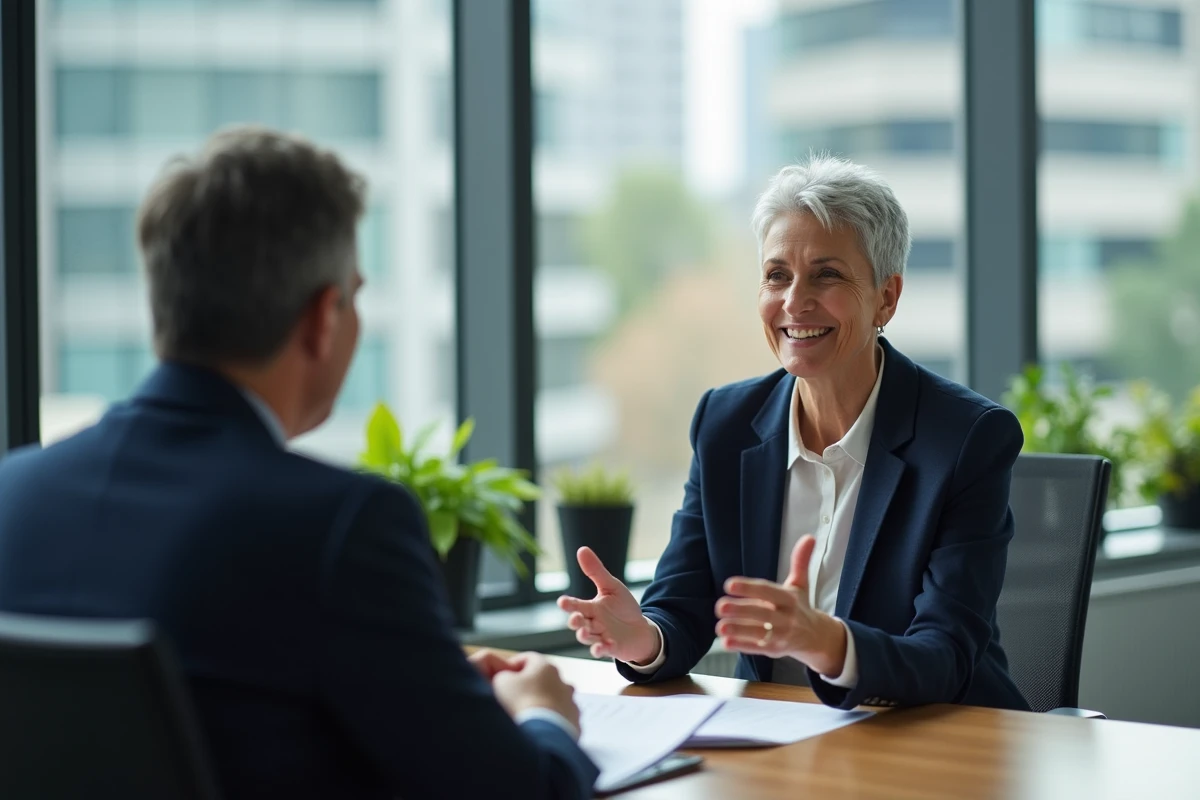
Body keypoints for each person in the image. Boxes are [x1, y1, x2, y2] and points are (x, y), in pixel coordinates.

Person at [0, 127, 597, 799]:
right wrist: (546, 715)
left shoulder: (12, 493)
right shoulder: (344, 526)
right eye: (356, 294)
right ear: (323, 318)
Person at [560, 155, 1030, 712]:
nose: (793, 301)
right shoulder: (726, 423)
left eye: (827, 275)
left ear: (887, 297)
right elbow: (683, 604)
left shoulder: (964, 439)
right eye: (777, 275)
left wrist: (824, 642)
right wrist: (644, 639)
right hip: (781, 743)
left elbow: (946, 656)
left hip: (938, 744)